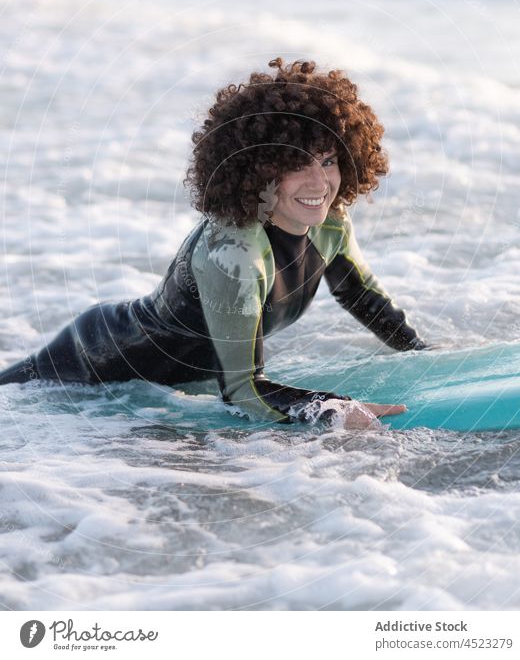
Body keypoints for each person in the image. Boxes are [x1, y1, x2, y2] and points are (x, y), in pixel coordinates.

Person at [0, 58, 427, 428]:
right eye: (296, 165)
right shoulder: (234, 253)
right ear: (256, 169)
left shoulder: (330, 224)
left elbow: (363, 298)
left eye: (329, 161)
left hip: (170, 382)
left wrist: (423, 355)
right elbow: (243, 392)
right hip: (94, 361)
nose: (320, 183)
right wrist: (331, 409)